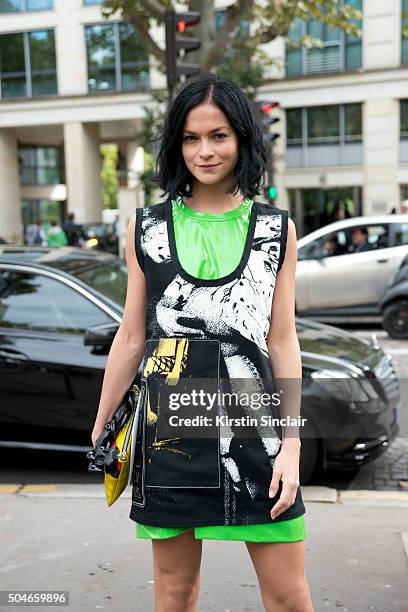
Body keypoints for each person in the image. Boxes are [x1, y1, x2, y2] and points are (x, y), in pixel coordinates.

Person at [91, 73, 314, 612]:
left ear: (242, 138)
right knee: (175, 594)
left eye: (218, 136)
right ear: (175, 144)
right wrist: (102, 424)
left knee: (289, 596)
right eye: (191, 138)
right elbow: (131, 335)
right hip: (169, 434)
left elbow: (283, 341)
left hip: (256, 433)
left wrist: (292, 443)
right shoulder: (147, 228)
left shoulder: (273, 227)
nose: (205, 151)